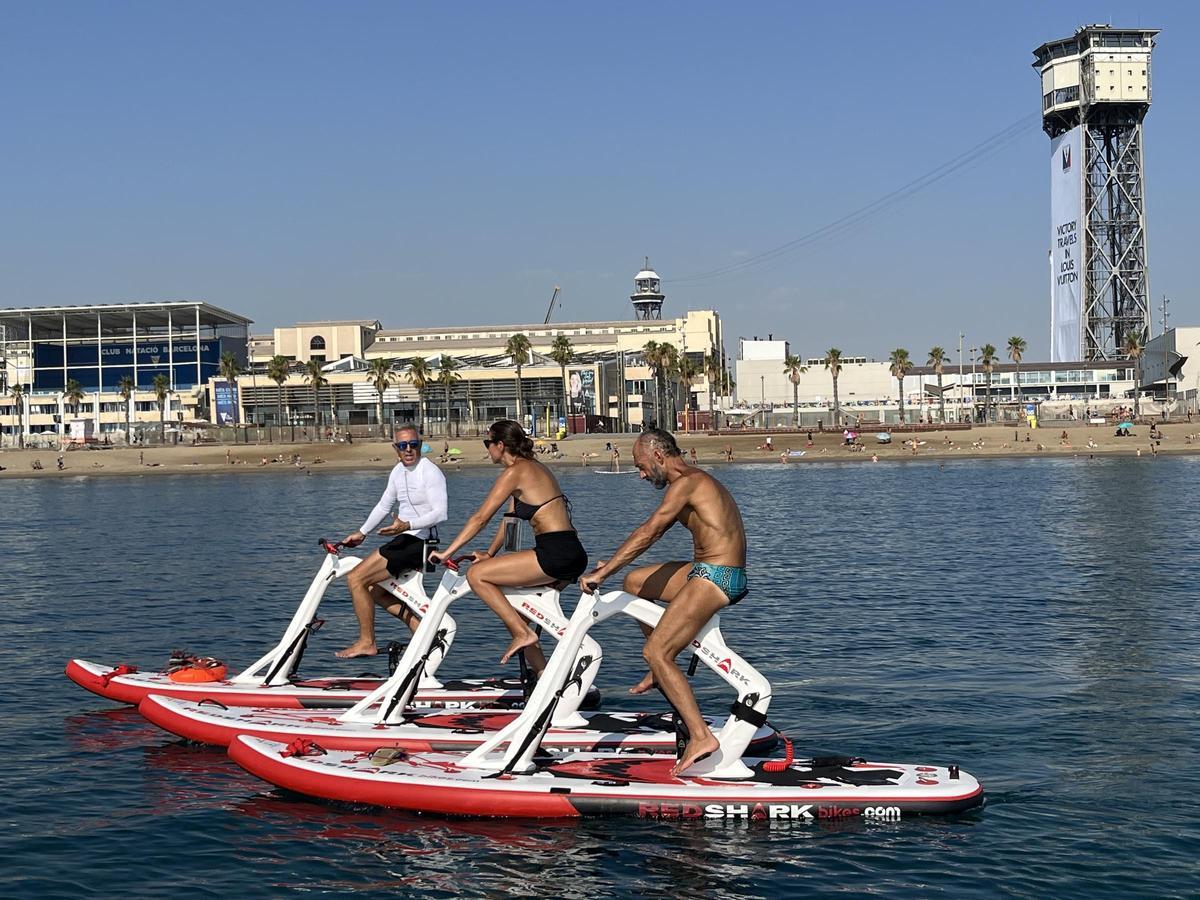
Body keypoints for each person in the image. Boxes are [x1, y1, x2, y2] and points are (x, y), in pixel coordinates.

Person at [579, 427, 747, 776]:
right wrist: (614, 570)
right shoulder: (689, 481)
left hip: (719, 577)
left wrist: (604, 572)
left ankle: (701, 736)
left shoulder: (688, 482)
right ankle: (661, 671)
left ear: (658, 456)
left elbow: (650, 530)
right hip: (704, 569)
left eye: (641, 466)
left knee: (657, 651)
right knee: (635, 582)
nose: (640, 475)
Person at [430, 420, 588, 674]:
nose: (487, 448)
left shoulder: (515, 472)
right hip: (570, 551)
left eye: (487, 443)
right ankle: (543, 677)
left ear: (500, 445)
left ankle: (522, 634)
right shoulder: (532, 468)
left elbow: (480, 518)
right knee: (515, 609)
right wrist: (490, 554)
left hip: (556, 553)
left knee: (476, 575)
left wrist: (446, 553)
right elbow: (511, 521)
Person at [335, 425, 448, 659]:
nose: (409, 450)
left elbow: (440, 513)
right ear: (395, 448)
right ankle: (417, 625)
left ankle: (367, 642)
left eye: (414, 445)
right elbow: (384, 506)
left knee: (356, 578)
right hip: (404, 538)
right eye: (403, 446)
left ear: (420, 445)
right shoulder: (397, 471)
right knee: (372, 589)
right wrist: (362, 532)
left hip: (420, 541)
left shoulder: (430, 472)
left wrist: (407, 525)